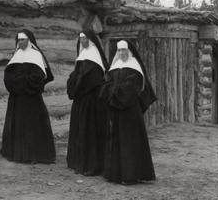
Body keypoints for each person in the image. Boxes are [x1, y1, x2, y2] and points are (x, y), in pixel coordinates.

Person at [101, 40, 156, 184]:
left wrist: (114, 93)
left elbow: (131, 88)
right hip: (116, 109)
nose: (121, 53)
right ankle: (115, 174)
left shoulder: (135, 68)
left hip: (130, 110)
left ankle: (130, 175)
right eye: (119, 51)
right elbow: (106, 84)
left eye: (124, 50)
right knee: (116, 140)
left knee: (129, 142)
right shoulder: (114, 68)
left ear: (129, 51)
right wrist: (112, 93)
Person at [0, 29, 56, 164]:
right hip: (16, 99)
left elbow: (37, 78)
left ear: (29, 41)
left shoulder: (36, 56)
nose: (20, 42)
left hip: (31, 99)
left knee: (32, 126)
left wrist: (20, 83)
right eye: (18, 40)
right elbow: (8, 77)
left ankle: (32, 154)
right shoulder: (16, 55)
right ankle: (16, 153)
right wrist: (18, 83)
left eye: (23, 40)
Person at [66, 31, 108, 176]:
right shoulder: (82, 56)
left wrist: (76, 84)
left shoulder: (94, 57)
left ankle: (92, 165)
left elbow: (90, 79)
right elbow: (75, 76)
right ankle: (78, 161)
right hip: (81, 100)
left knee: (90, 130)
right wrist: (74, 83)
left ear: (91, 40)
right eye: (81, 38)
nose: (82, 41)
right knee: (80, 129)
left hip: (92, 101)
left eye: (85, 38)